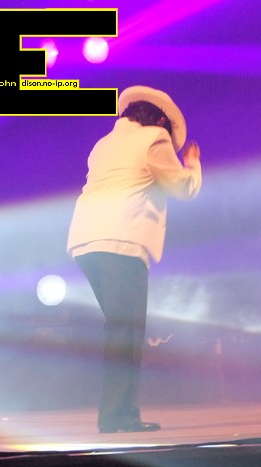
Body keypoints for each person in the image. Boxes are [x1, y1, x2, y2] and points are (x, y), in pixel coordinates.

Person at [67, 85, 202, 433]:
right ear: (160, 120)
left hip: (85, 241)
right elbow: (181, 187)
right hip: (121, 240)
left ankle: (116, 414)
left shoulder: (103, 144)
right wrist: (192, 164)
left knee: (119, 330)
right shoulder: (154, 138)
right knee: (125, 332)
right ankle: (119, 415)